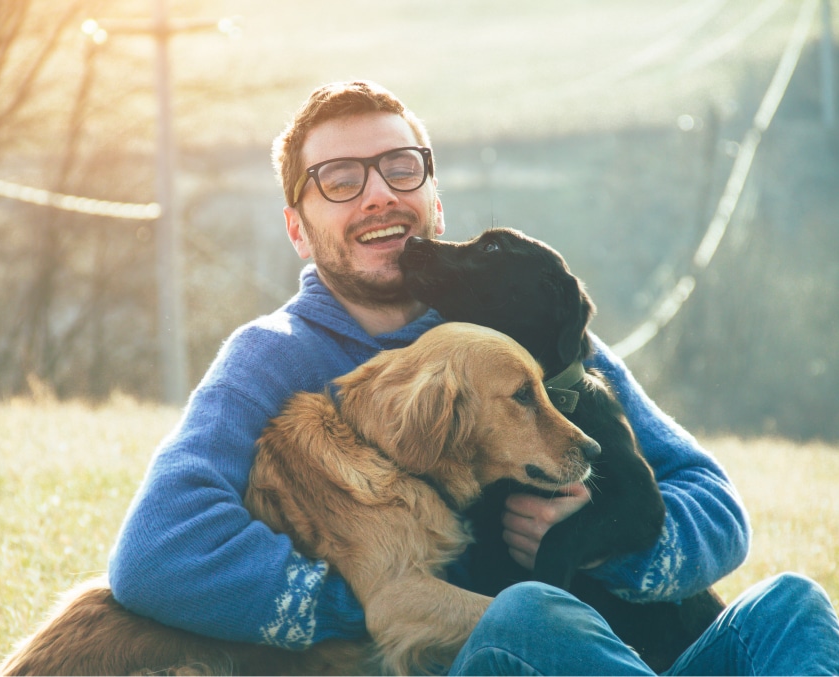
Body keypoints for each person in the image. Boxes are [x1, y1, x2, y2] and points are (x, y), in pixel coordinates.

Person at [108, 80, 839, 674]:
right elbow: (154, 552)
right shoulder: (268, 358)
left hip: (611, 654)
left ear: (434, 197)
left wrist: (598, 538)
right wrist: (374, 593)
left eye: (400, 167)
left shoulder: (509, 326)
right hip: (483, 649)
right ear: (296, 227)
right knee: (525, 612)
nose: (377, 195)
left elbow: (713, 505)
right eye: (338, 179)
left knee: (790, 605)